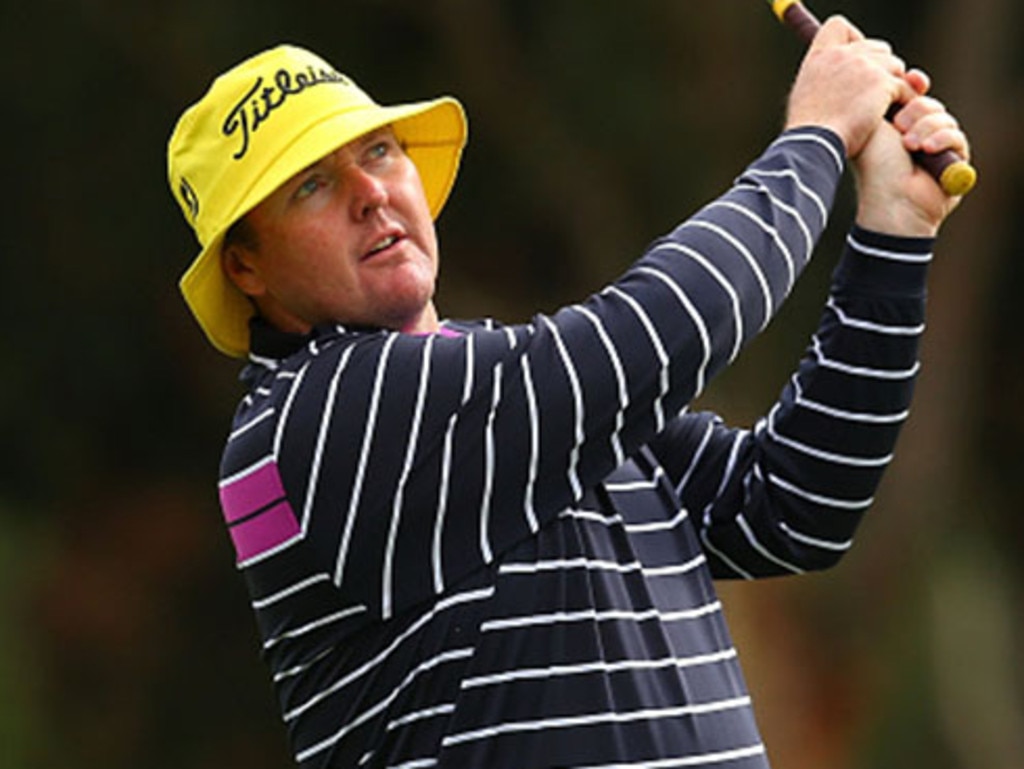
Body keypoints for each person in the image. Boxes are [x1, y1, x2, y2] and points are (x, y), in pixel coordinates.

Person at [167, 16, 969, 769]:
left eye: (377, 150)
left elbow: (793, 507)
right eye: (309, 185)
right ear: (246, 267)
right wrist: (818, 136)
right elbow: (652, 339)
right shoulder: (309, 419)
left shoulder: (521, 390)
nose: (368, 191)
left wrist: (894, 234)